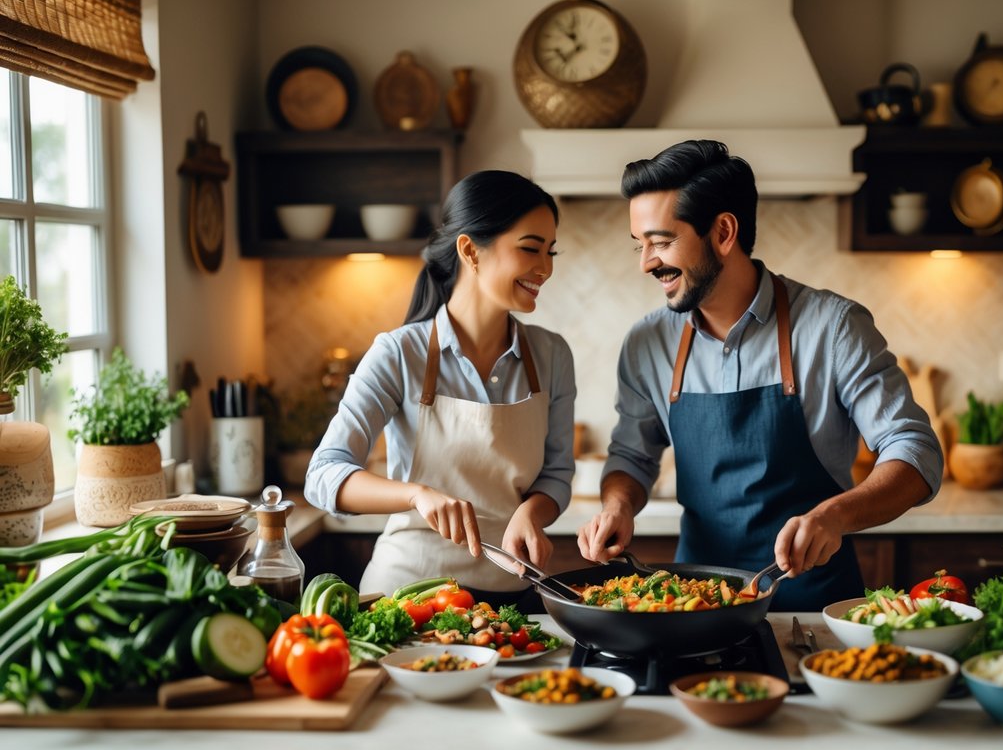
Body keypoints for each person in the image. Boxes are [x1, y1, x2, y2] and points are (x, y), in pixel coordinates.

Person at [576, 140, 944, 612]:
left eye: (661, 242)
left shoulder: (833, 327)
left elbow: (915, 451)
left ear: (724, 232)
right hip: (694, 606)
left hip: (814, 607)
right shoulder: (648, 342)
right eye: (640, 244)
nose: (646, 262)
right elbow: (632, 454)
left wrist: (836, 515)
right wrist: (618, 506)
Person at [305, 170, 574, 612]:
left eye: (550, 251)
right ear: (470, 250)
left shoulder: (552, 356)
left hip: (510, 601)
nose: (545, 268)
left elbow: (557, 473)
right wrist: (415, 494)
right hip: (407, 597)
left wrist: (533, 512)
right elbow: (323, 475)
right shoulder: (398, 353)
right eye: (530, 248)